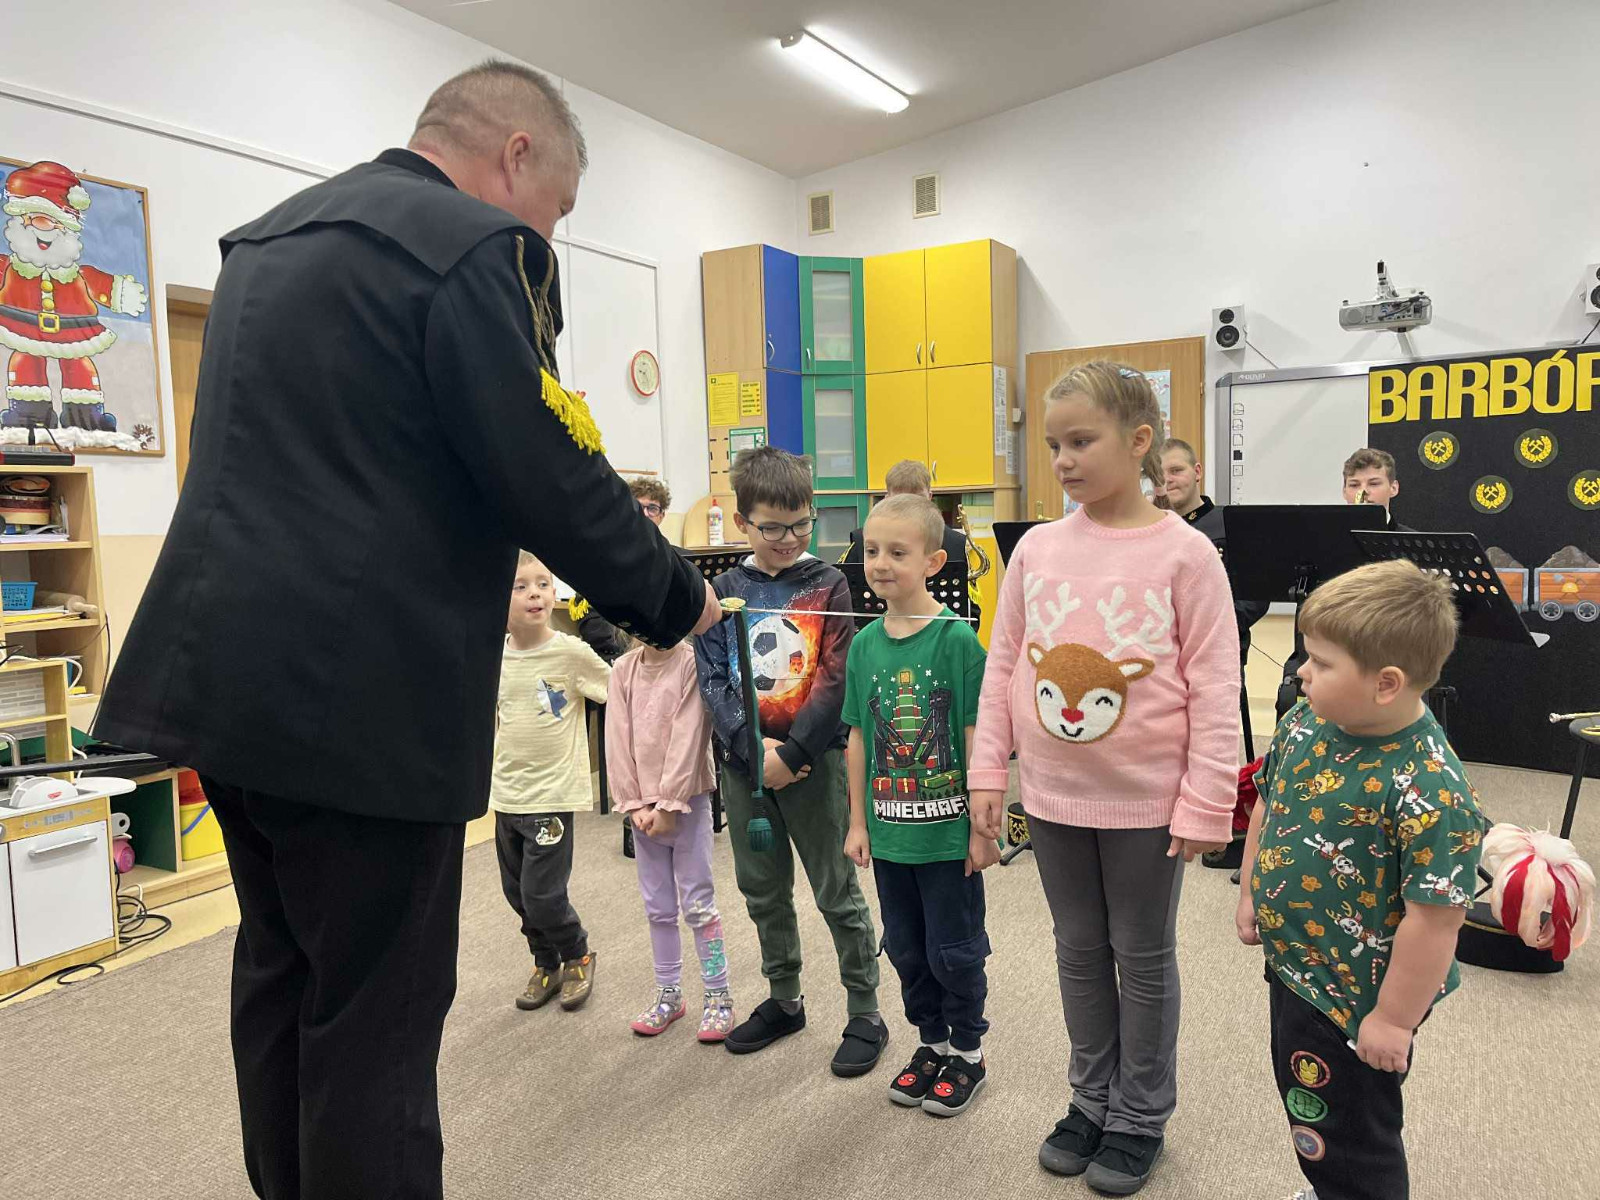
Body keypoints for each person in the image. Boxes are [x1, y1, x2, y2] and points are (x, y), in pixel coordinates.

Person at [93, 61, 722, 1200]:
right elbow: (547, 467)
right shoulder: (475, 246)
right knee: (377, 1018)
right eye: (560, 209)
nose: (551, 234)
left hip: (222, 684)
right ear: (516, 155)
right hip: (360, 701)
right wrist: (675, 598)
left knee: (282, 968)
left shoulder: (266, 242)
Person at [967, 361, 1239, 1195]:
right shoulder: (1038, 549)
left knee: (1142, 957)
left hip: (1148, 804)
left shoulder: (1187, 554)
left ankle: (1140, 1114)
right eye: (1055, 445)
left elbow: (1215, 686)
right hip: (1053, 797)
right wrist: (989, 766)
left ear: (1140, 439)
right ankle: (1091, 1098)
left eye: (1081, 441)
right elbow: (1005, 662)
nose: (1063, 460)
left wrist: (1208, 801)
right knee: (1078, 950)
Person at [1236, 559, 1487, 1200]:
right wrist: (1251, 891)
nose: (1300, 672)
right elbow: (1270, 801)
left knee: (1351, 1130)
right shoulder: (1306, 723)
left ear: (1385, 684)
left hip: (1359, 997)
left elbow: (1436, 920)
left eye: (1320, 663)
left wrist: (1395, 1021)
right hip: (1298, 965)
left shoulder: (1431, 788)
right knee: (1308, 1101)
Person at [693, 445, 888, 1075]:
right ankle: (784, 997)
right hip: (746, 769)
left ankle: (865, 1010)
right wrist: (756, 752)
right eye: (774, 528)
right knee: (762, 890)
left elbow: (835, 678)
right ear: (743, 520)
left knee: (836, 888)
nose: (790, 538)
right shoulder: (724, 591)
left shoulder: (828, 583)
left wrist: (796, 751)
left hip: (815, 765)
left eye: (802, 524)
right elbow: (712, 677)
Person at [842, 494, 994, 1116]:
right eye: (872, 550)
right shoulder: (863, 645)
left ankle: (967, 1053)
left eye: (897, 552)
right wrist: (857, 822)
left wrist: (981, 829)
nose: (880, 564)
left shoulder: (958, 642)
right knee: (905, 948)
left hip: (947, 836)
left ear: (932, 562)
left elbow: (976, 737)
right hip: (889, 834)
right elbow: (857, 737)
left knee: (953, 950)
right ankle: (930, 1044)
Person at [606, 613, 735, 1042]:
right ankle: (668, 993)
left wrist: (667, 804)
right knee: (657, 906)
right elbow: (616, 738)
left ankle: (718, 995)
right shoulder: (623, 670)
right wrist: (634, 804)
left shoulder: (692, 663)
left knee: (698, 902)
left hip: (687, 802)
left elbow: (689, 736)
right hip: (642, 808)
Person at [493, 553, 610, 1012]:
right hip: (507, 794)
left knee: (542, 895)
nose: (536, 594)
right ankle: (546, 962)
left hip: (552, 794)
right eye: (521, 586)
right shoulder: (494, 655)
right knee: (517, 895)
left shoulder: (570, 653)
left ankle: (577, 952)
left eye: (543, 584)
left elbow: (618, 690)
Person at [1276, 448, 1413, 721]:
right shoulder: (1318, 543)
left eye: (1374, 483)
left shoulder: (1411, 544)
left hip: (1387, 658)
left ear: (1394, 488)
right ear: (1344, 492)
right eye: (1354, 485)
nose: (1364, 492)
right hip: (1328, 654)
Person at [843, 458, 981, 630]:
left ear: (930, 498)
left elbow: (972, 614)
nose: (908, 509)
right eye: (872, 552)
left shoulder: (958, 544)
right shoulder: (862, 540)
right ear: (886, 499)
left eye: (917, 501)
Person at [571, 475, 673, 662]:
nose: (645, 514)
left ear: (661, 515)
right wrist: (628, 662)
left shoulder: (677, 561)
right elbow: (593, 625)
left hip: (669, 658)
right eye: (638, 507)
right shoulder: (600, 559)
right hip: (616, 660)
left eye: (652, 508)